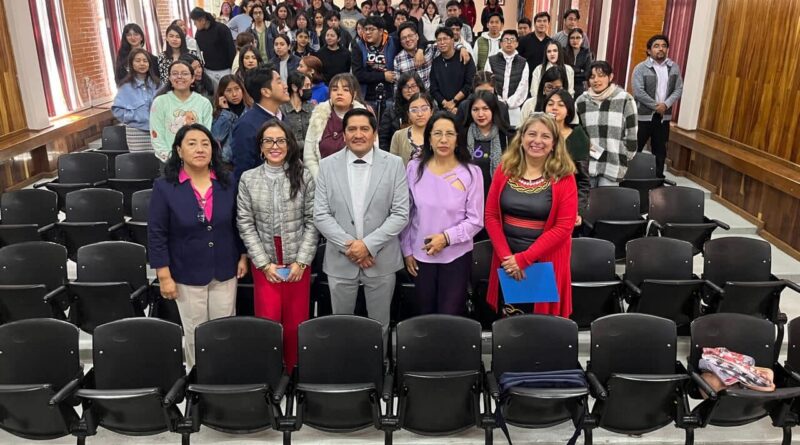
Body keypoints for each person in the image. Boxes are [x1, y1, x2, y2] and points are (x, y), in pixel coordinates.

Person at [148, 123, 248, 368]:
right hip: (186, 271)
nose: (200, 149)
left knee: (225, 329)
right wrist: (163, 275)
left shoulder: (227, 182)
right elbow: (157, 233)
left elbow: (238, 222)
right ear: (179, 151)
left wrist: (243, 255)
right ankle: (198, 379)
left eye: (205, 144)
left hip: (225, 267)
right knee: (196, 333)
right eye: (192, 144)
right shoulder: (165, 186)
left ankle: (224, 377)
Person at [313, 108, 409, 343]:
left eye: (364, 129)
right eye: (352, 129)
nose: (358, 134)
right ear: (344, 134)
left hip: (381, 260)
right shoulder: (327, 165)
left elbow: (400, 214)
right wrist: (352, 248)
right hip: (341, 260)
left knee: (380, 327)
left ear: (374, 133)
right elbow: (321, 215)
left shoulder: (394, 164)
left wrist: (367, 246)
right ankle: (343, 365)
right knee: (341, 327)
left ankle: (378, 365)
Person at [237, 120, 317, 371]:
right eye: (268, 141)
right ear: (260, 147)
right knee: (268, 321)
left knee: (295, 323)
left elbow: (313, 221)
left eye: (280, 140)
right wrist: (263, 264)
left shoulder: (304, 175)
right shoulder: (248, 178)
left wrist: (301, 262)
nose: (275, 146)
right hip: (265, 261)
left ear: (289, 144)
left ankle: (294, 372)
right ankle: (270, 373)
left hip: (297, 260)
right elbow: (245, 223)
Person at [484, 114, 577, 318]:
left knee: (540, 327)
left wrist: (524, 259)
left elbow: (564, 227)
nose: (537, 141)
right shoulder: (505, 169)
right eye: (532, 134)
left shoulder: (564, 177)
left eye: (545, 136)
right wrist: (508, 259)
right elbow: (491, 216)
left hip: (544, 263)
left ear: (554, 143)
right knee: (510, 326)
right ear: (522, 138)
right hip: (508, 262)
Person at [401, 112, 483, 315]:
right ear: (429, 138)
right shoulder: (414, 168)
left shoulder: (471, 173)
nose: (443, 139)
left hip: (456, 257)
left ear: (458, 139)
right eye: (437, 133)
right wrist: (407, 250)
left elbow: (475, 220)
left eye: (449, 134)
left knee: (450, 316)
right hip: (420, 256)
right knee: (423, 314)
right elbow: (407, 212)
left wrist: (446, 238)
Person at [576, 61, 638, 186]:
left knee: (607, 198)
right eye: (592, 77)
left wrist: (625, 156)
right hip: (587, 166)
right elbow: (577, 133)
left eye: (601, 75)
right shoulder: (581, 101)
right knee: (586, 198)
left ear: (610, 77)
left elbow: (632, 132)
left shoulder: (625, 99)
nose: (596, 80)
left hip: (613, 165)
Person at [632, 34, 684, 178]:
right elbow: (638, 92)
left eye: (664, 46)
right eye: (656, 46)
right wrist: (656, 106)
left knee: (660, 151)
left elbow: (678, 89)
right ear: (649, 51)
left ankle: (657, 180)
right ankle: (630, 178)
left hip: (663, 118)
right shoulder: (641, 68)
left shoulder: (673, 67)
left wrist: (666, 105)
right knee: (635, 149)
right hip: (643, 117)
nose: (660, 49)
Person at [304, 73, 371, 177]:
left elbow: (371, 154)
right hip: (323, 178)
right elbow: (309, 157)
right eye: (335, 89)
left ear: (354, 94)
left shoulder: (365, 118)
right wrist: (321, 180)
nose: (339, 93)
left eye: (345, 89)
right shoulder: (318, 116)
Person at [232, 66, 291, 179]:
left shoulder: (282, 117)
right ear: (266, 92)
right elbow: (243, 170)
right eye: (279, 82)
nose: (285, 86)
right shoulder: (246, 125)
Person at [149, 60, 213, 163]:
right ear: (169, 78)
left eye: (184, 73)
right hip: (168, 161)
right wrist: (170, 159)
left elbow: (206, 134)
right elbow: (156, 136)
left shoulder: (204, 103)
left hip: (197, 160)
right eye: (175, 74)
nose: (179, 77)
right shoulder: (159, 102)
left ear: (192, 78)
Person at [544, 89, 590, 225]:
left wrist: (578, 210)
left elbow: (583, 181)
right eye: (550, 104)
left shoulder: (578, 136)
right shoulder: (536, 134)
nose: (554, 108)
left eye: (561, 105)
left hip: (565, 201)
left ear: (568, 110)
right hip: (537, 198)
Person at [462, 90, 509, 196]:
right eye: (475, 109)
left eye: (485, 109)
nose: (480, 114)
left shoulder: (505, 136)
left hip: (497, 193)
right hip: (470, 194)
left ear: (493, 110)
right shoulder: (463, 135)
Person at [112, 48, 160, 152]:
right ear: (131, 64)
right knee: (139, 160)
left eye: (145, 61)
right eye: (138, 61)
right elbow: (117, 110)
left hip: (158, 131)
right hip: (136, 132)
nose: (142, 64)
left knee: (160, 159)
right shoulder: (125, 87)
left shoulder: (158, 84)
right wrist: (135, 117)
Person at [351, 16, 398, 112]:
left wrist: (420, 50)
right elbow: (357, 74)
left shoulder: (393, 42)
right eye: (366, 29)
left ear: (380, 31)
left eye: (371, 29)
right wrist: (383, 76)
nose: (368, 32)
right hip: (366, 97)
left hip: (389, 96)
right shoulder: (358, 46)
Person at [485, 29, 529, 128]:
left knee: (513, 133)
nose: (509, 42)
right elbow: (489, 83)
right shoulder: (491, 60)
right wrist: (499, 102)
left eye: (512, 40)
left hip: (514, 109)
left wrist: (509, 103)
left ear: (517, 44)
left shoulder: (523, 62)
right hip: (494, 107)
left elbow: (523, 86)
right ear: (500, 43)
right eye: (506, 40)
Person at [430, 27, 476, 114]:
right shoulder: (436, 62)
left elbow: (470, 83)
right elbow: (433, 88)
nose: (442, 42)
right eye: (439, 40)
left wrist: (454, 101)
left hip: (464, 108)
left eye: (445, 39)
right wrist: (446, 104)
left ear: (452, 40)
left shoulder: (464, 57)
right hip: (443, 109)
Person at [191, 8, 237, 89]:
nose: (194, 25)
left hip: (225, 70)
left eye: (195, 22)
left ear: (202, 20)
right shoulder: (198, 34)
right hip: (208, 71)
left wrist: (232, 69)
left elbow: (231, 50)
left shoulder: (222, 29)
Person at [212, 74, 252, 163]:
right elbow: (217, 137)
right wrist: (225, 112)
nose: (234, 94)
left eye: (237, 89)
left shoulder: (252, 110)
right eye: (228, 91)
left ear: (242, 89)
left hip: (249, 159)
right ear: (222, 94)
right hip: (227, 162)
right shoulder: (219, 114)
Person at [390, 92, 433, 164]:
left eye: (424, 109)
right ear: (408, 114)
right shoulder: (398, 136)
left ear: (431, 111)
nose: (420, 114)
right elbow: (393, 165)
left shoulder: (440, 134)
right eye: (414, 110)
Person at [528, 41, 574, 105]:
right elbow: (534, 91)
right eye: (549, 51)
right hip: (542, 104)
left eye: (555, 51)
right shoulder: (538, 69)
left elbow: (570, 92)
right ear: (546, 54)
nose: (552, 54)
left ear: (559, 52)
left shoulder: (568, 69)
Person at [281, 72, 315, 149]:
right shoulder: (282, 110)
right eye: (306, 85)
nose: (309, 89)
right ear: (294, 87)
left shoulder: (312, 108)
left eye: (310, 86)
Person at [518, 11, 551, 76]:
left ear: (548, 24)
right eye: (539, 21)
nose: (542, 24)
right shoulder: (523, 40)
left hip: (544, 78)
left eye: (545, 21)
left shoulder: (551, 43)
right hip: (526, 77)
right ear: (534, 24)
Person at [564, 28, 592, 98]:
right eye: (572, 38)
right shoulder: (563, 51)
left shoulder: (587, 53)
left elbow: (587, 74)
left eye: (578, 38)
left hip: (580, 87)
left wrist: (571, 72)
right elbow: (563, 71)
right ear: (569, 39)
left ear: (582, 39)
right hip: (565, 85)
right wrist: (579, 70)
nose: (575, 40)